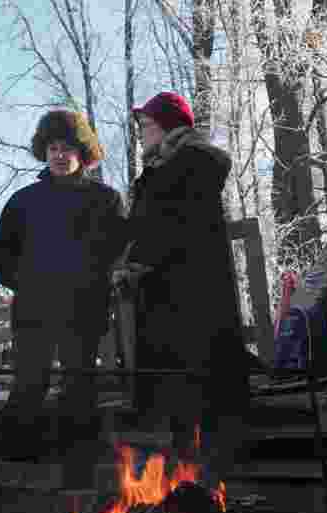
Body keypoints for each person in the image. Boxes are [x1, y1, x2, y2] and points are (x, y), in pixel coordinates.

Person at [0, 109, 126, 460]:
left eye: (67, 148)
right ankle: (16, 461)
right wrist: (22, 282)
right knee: (29, 383)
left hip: (84, 308)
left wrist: (99, 283)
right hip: (34, 309)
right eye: (53, 149)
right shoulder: (24, 201)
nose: (60, 156)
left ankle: (80, 462)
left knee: (80, 383)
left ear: (82, 152)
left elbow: (120, 250)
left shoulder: (106, 200)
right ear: (44, 152)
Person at [121, 92, 248, 478]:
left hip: (192, 294)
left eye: (147, 124)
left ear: (169, 125)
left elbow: (182, 226)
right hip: (163, 292)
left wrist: (143, 260)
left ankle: (209, 479)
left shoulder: (194, 163)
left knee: (200, 387)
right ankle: (183, 477)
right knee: (175, 392)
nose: (142, 133)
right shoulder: (159, 168)